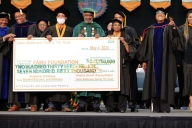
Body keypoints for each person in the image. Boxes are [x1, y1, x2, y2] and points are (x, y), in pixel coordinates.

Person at [136, 8, 184, 113]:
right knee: (153, 83)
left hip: (167, 60)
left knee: (166, 81)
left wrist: (174, 28)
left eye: (162, 13)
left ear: (165, 16)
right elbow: (146, 46)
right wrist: (144, 60)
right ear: (155, 16)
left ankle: (165, 107)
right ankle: (156, 107)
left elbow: (177, 44)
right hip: (153, 61)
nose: (160, 15)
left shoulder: (169, 27)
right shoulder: (150, 29)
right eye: (158, 14)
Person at [72, 8, 105, 112]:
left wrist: (100, 38)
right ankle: (81, 106)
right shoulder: (78, 27)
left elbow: (105, 43)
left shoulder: (98, 27)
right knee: (82, 81)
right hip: (82, 59)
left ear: (93, 16)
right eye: (86, 15)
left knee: (95, 82)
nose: (88, 17)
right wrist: (77, 38)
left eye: (90, 15)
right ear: (83, 16)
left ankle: (96, 106)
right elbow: (72, 43)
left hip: (95, 60)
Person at [44, 7, 73, 112]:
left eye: (63, 16)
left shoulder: (70, 30)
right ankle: (51, 105)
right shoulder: (50, 29)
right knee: (53, 80)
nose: (60, 17)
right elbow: (40, 41)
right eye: (59, 16)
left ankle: (65, 105)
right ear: (56, 17)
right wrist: (46, 37)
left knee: (65, 81)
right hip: (52, 59)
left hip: (66, 59)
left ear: (66, 18)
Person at [5, 8, 34, 111]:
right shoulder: (13, 27)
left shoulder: (32, 25)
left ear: (24, 15)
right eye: (16, 17)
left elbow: (40, 39)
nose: (17, 18)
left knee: (32, 78)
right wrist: (9, 41)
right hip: (16, 58)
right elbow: (7, 41)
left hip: (31, 58)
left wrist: (33, 37)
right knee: (16, 79)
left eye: (19, 16)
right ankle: (16, 103)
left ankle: (33, 103)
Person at [113, 10, 139, 112]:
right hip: (115, 63)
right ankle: (116, 104)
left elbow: (135, 44)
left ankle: (132, 104)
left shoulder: (130, 30)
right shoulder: (111, 30)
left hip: (129, 61)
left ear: (123, 19)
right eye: (116, 18)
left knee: (130, 83)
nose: (118, 20)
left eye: (120, 18)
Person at [105, 19, 130, 113]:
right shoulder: (108, 37)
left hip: (122, 65)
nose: (116, 27)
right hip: (110, 65)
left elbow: (130, 51)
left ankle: (122, 107)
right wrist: (106, 40)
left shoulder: (126, 36)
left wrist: (124, 42)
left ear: (121, 26)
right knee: (110, 87)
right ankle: (110, 107)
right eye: (115, 25)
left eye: (118, 25)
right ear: (112, 27)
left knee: (122, 87)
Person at [26, 18, 50, 111]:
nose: (42, 26)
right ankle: (35, 104)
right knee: (36, 83)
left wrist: (50, 38)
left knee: (47, 84)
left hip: (47, 61)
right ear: (37, 25)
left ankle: (46, 104)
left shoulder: (49, 32)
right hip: (35, 62)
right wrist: (29, 39)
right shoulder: (32, 34)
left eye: (44, 25)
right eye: (41, 24)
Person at [0, 12, 15, 110]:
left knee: (5, 80)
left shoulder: (9, 29)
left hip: (5, 59)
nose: (4, 22)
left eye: (6, 20)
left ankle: (3, 102)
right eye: (2, 20)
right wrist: (5, 38)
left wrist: (10, 42)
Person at [179, 9, 192, 112]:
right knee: (188, 81)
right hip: (187, 59)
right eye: (190, 17)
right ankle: (190, 101)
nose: (191, 18)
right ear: (187, 18)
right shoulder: (182, 29)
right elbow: (179, 46)